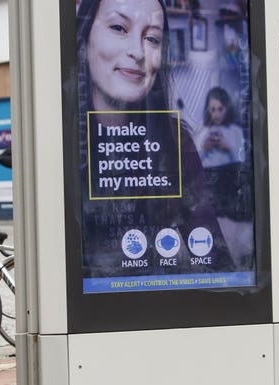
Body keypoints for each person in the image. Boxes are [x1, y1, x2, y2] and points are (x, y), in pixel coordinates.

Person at [76, 0, 233, 281]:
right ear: (85, 35)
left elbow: (213, 250)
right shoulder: (62, 140)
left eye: (152, 38)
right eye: (118, 27)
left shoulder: (174, 140)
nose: (137, 51)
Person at [195, 86, 252, 269]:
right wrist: (204, 148)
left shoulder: (235, 131)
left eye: (220, 109)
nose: (216, 114)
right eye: (213, 109)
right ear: (207, 110)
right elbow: (192, 162)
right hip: (208, 181)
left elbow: (243, 159)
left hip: (229, 180)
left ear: (227, 109)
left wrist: (228, 147)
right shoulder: (202, 132)